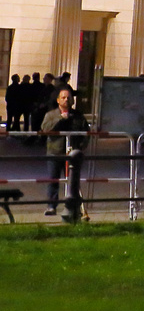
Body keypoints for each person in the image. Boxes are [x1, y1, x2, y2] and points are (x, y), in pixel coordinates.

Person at [39, 86, 88, 219]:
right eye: (63, 97)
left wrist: (81, 147)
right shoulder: (51, 115)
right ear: (58, 100)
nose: (66, 100)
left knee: (73, 181)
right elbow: (45, 129)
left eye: (69, 98)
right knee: (53, 180)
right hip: (55, 152)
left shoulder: (78, 115)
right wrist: (60, 119)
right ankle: (51, 206)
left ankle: (74, 207)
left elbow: (85, 132)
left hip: (72, 154)